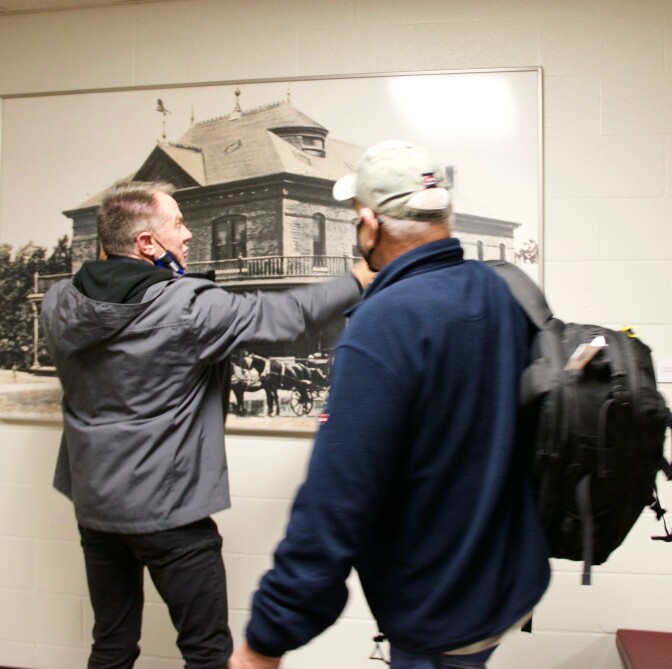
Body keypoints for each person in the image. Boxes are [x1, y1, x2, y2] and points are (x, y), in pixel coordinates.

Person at [228, 141, 550, 669]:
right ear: (442, 213)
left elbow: (334, 501)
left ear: (369, 223)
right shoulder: (497, 290)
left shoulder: (384, 324)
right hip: (505, 580)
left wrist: (267, 638)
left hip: (441, 606)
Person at [39, 181, 372, 669]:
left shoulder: (58, 301)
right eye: (178, 223)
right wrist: (362, 277)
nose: (190, 233)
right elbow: (289, 314)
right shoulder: (187, 306)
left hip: (97, 508)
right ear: (147, 244)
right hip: (170, 515)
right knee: (206, 653)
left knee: (111, 645)